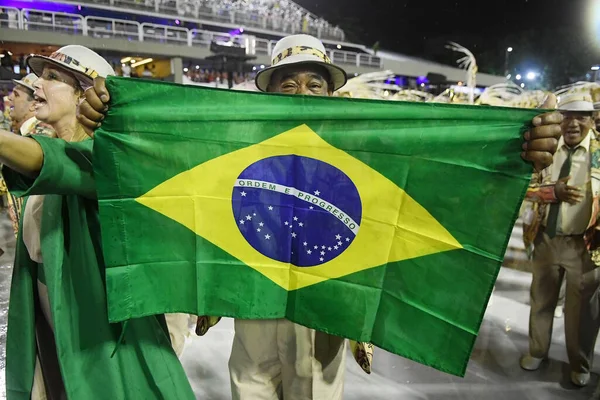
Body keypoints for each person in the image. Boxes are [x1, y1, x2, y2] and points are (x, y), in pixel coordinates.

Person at [78, 34, 564, 400]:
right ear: (269, 93)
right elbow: (164, 158)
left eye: (315, 83)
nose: (303, 92)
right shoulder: (235, 144)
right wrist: (114, 117)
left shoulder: (368, 155)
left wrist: (515, 153)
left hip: (327, 309)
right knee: (248, 387)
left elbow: (445, 186)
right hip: (254, 304)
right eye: (289, 84)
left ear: (333, 94)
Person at [0, 45, 195, 400]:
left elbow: (62, 165)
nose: (38, 85)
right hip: (51, 309)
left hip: (100, 320)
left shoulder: (108, 157)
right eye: (40, 76)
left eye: (52, 78)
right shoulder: (45, 142)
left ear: (84, 96)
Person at [520, 93, 600, 387]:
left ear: (592, 120)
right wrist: (553, 193)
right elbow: (523, 188)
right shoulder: (543, 149)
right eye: (567, 115)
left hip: (587, 245)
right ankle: (537, 351)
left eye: (581, 116)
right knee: (541, 300)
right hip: (546, 238)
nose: (573, 123)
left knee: (583, 313)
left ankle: (580, 363)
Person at [5, 73, 55, 237]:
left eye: (17, 94)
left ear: (34, 104)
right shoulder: (24, 133)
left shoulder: (42, 134)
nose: (9, 98)